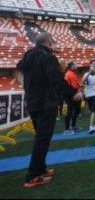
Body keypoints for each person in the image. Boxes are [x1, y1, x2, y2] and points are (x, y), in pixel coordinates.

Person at [17, 33, 67, 187]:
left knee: (41, 138)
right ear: (48, 43)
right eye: (52, 43)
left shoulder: (29, 54)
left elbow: (19, 68)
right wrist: (72, 92)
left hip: (32, 102)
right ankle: (32, 176)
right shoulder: (48, 57)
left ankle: (40, 169)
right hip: (46, 103)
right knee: (42, 139)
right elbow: (56, 80)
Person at [63, 61, 83, 134]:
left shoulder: (72, 73)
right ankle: (66, 129)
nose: (77, 65)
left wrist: (78, 91)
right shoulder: (69, 73)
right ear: (71, 66)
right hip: (70, 94)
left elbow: (77, 85)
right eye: (75, 64)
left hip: (74, 93)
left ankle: (73, 126)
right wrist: (75, 94)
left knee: (77, 110)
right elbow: (68, 86)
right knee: (70, 110)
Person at [82, 59, 95, 134]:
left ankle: (91, 126)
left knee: (93, 110)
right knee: (92, 111)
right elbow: (83, 82)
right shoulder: (86, 74)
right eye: (93, 64)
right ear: (90, 65)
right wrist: (89, 73)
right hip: (88, 95)